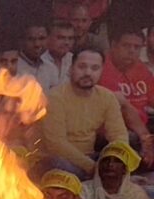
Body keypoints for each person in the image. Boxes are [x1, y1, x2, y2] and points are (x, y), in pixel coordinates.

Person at [41, 49, 129, 178]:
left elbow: (119, 134)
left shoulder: (107, 97)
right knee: (57, 163)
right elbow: (56, 144)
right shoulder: (55, 97)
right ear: (71, 69)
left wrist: (115, 161)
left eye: (95, 68)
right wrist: (94, 168)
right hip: (62, 160)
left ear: (101, 72)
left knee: (126, 150)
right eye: (82, 67)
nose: (88, 73)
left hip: (91, 157)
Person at [99, 29, 154, 130]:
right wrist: (145, 137)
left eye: (136, 47)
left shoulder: (141, 68)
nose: (131, 51)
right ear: (113, 45)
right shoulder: (101, 67)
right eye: (126, 45)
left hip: (141, 127)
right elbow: (125, 111)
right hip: (112, 131)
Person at [36, 21, 76, 92]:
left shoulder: (75, 60)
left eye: (70, 38)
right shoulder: (37, 62)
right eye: (61, 38)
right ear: (48, 38)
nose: (67, 42)